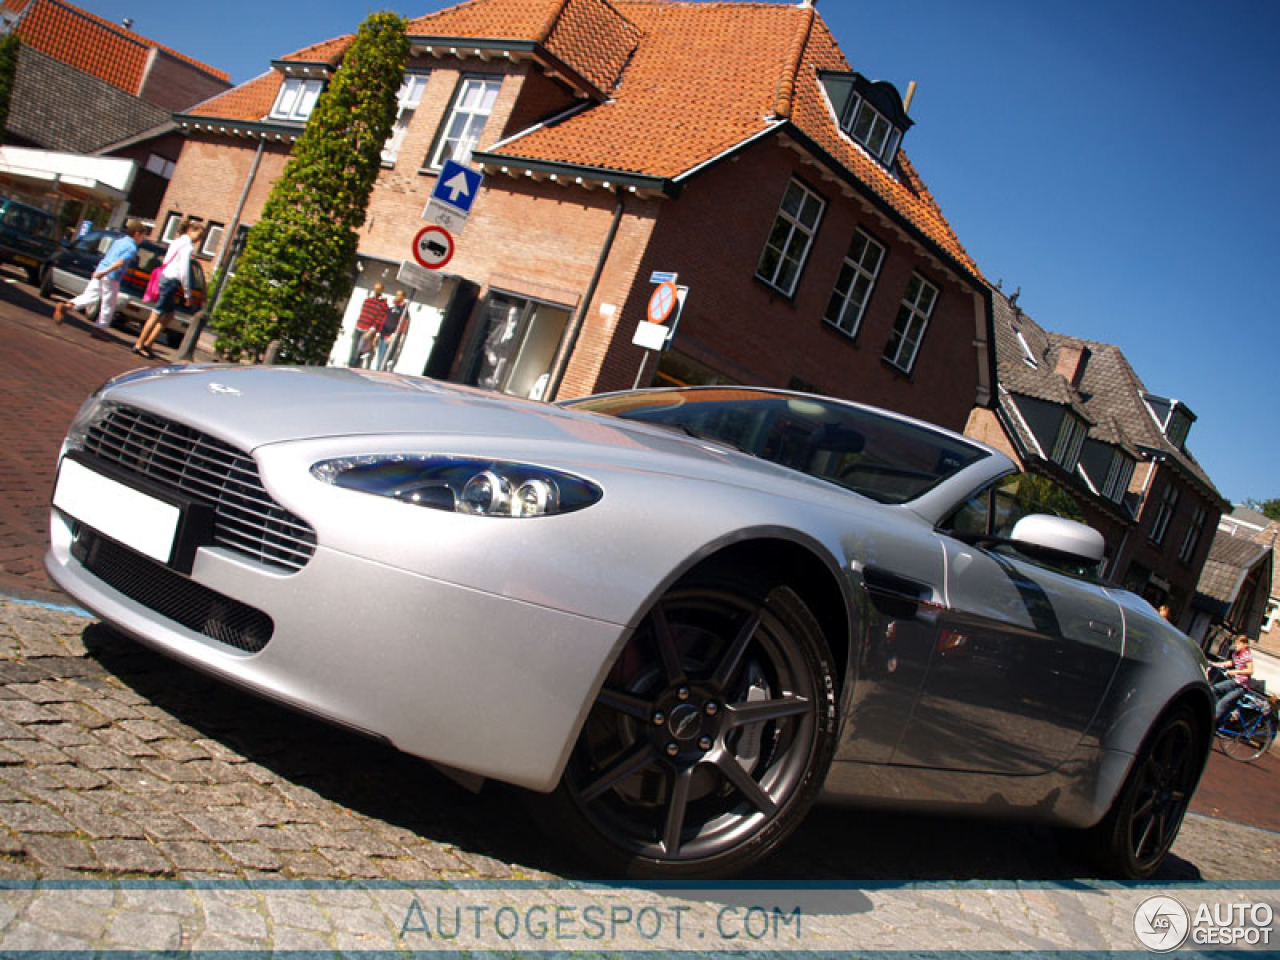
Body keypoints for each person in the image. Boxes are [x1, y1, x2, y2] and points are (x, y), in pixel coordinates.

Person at [53, 218, 148, 339]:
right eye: (143, 235)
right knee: (108, 304)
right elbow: (119, 262)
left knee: (90, 296)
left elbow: (108, 256)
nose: (143, 238)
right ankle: (100, 329)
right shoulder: (132, 248)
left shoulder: (119, 241)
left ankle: (67, 306)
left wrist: (99, 271)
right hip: (111, 276)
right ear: (136, 234)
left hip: (100, 270)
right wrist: (105, 272)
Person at [132, 220, 205, 358]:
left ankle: (149, 343)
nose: (199, 239)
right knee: (157, 313)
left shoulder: (176, 241)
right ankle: (140, 344)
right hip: (172, 280)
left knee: (169, 315)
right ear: (190, 230)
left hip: (165, 277)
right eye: (199, 235)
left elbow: (166, 261)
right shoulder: (187, 247)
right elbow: (184, 270)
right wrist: (187, 293)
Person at [1211, 633, 1255, 721]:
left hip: (1242, 686)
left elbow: (1250, 670)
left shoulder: (1247, 655)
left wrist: (1236, 672)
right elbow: (1231, 663)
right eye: (1236, 643)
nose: (1236, 646)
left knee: (1223, 703)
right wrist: (1216, 664)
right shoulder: (1236, 654)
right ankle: (1216, 714)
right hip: (1235, 682)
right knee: (1213, 689)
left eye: (1238, 644)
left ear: (1245, 645)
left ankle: (1212, 722)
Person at [349, 282, 388, 368]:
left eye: (379, 289)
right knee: (353, 349)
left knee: (360, 350)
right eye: (376, 288)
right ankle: (350, 366)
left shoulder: (383, 304)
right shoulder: (368, 301)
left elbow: (380, 318)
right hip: (359, 326)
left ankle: (355, 366)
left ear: (382, 290)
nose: (377, 290)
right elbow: (362, 313)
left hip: (368, 330)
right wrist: (356, 326)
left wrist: (372, 330)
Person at [374, 289, 408, 371]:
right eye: (396, 294)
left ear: (403, 297)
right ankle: (377, 371)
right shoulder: (391, 308)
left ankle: (380, 374)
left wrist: (393, 336)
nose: (397, 296)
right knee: (379, 358)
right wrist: (378, 334)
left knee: (384, 359)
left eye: (399, 295)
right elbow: (383, 320)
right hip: (383, 335)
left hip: (390, 337)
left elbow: (402, 324)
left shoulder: (404, 310)